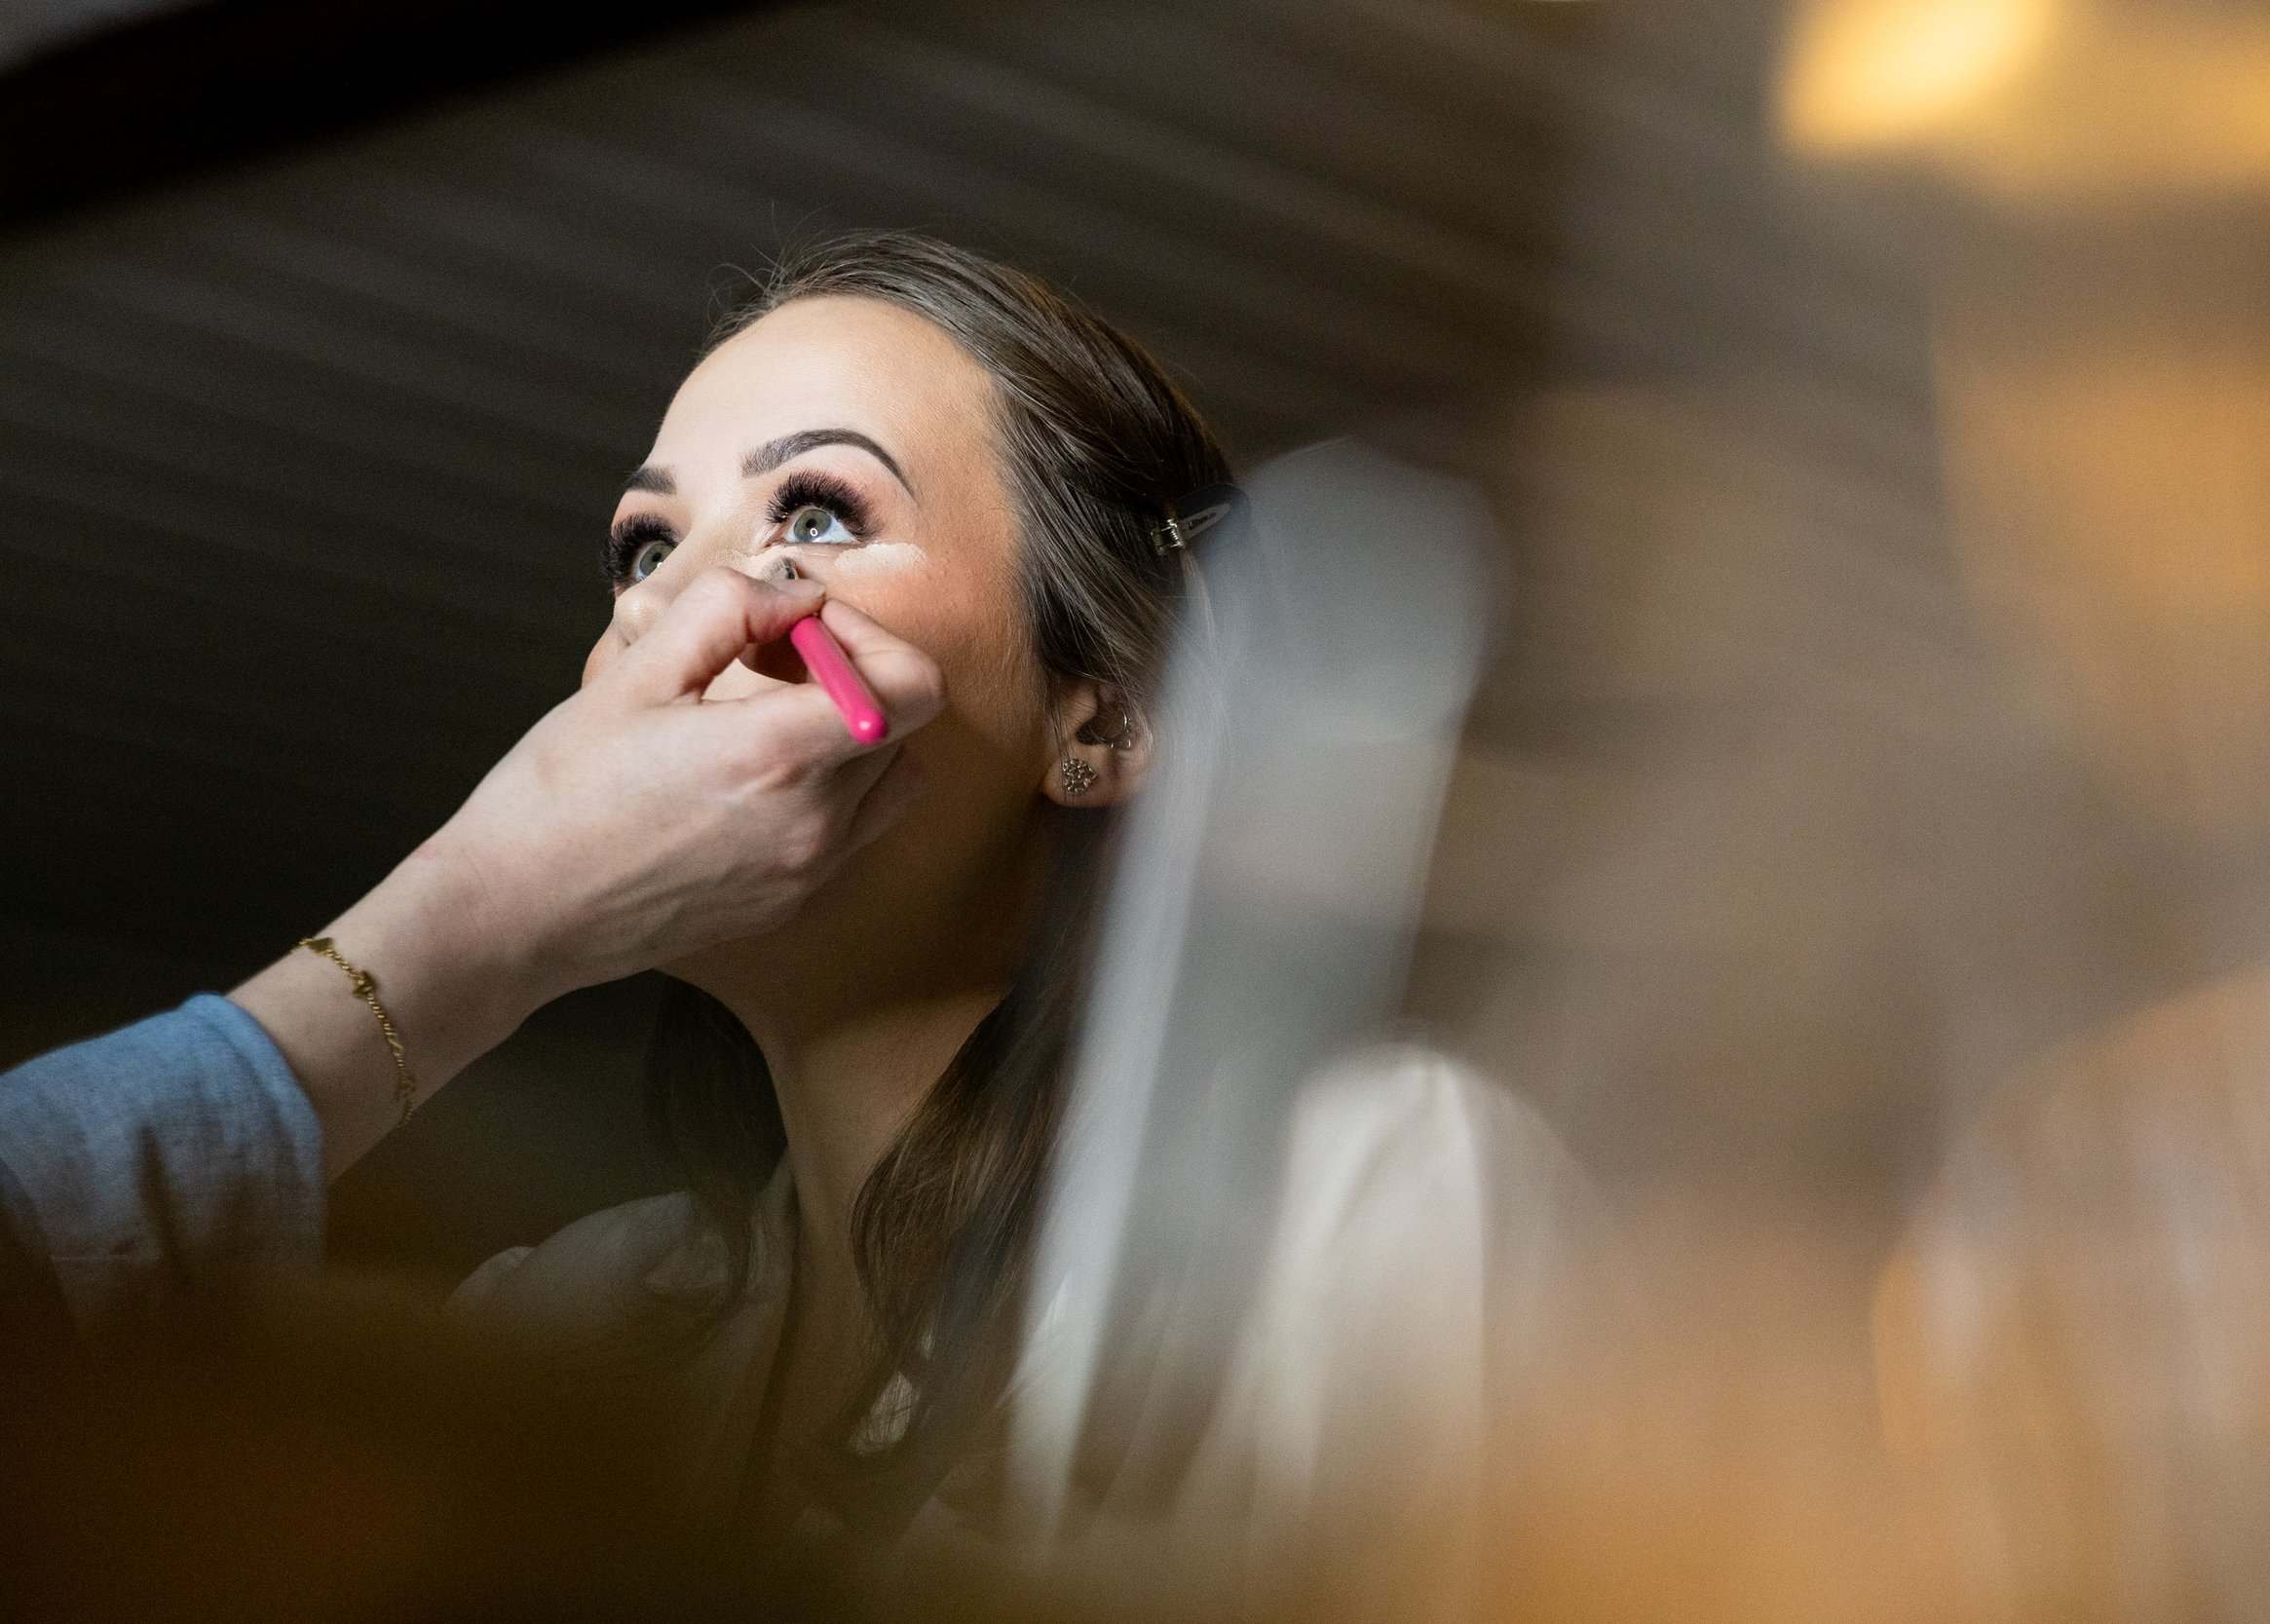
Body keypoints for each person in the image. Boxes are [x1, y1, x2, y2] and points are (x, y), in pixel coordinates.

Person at [0, 233, 1570, 1608]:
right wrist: (482, 910)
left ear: (1104, 719)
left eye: (815, 512)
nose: (680, 612)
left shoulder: (1366, 1199)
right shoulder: (565, 1334)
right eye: (646, 545)